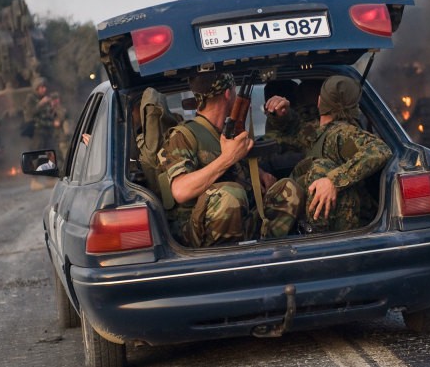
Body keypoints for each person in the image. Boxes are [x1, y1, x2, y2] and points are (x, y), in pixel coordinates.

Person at [157, 72, 303, 247]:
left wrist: (259, 174)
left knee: (289, 189)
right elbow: (181, 190)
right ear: (228, 93)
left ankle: (266, 252)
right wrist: (227, 158)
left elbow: (235, 168)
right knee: (229, 193)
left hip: (240, 217)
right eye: (234, 91)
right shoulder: (183, 135)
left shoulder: (226, 133)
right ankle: (224, 260)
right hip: (198, 228)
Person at [264, 75, 391, 233]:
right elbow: (295, 129)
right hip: (316, 225)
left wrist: (332, 180)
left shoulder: (342, 133)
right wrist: (282, 115)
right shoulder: (320, 132)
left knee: (320, 167)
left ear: (319, 102)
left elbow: (380, 150)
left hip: (337, 229)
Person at [24, 81, 64, 154]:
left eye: (45, 87)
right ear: (36, 89)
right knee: (38, 153)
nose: (44, 89)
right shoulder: (31, 99)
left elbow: (49, 114)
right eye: (42, 87)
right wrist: (41, 104)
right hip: (38, 131)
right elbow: (31, 113)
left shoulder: (46, 98)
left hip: (48, 131)